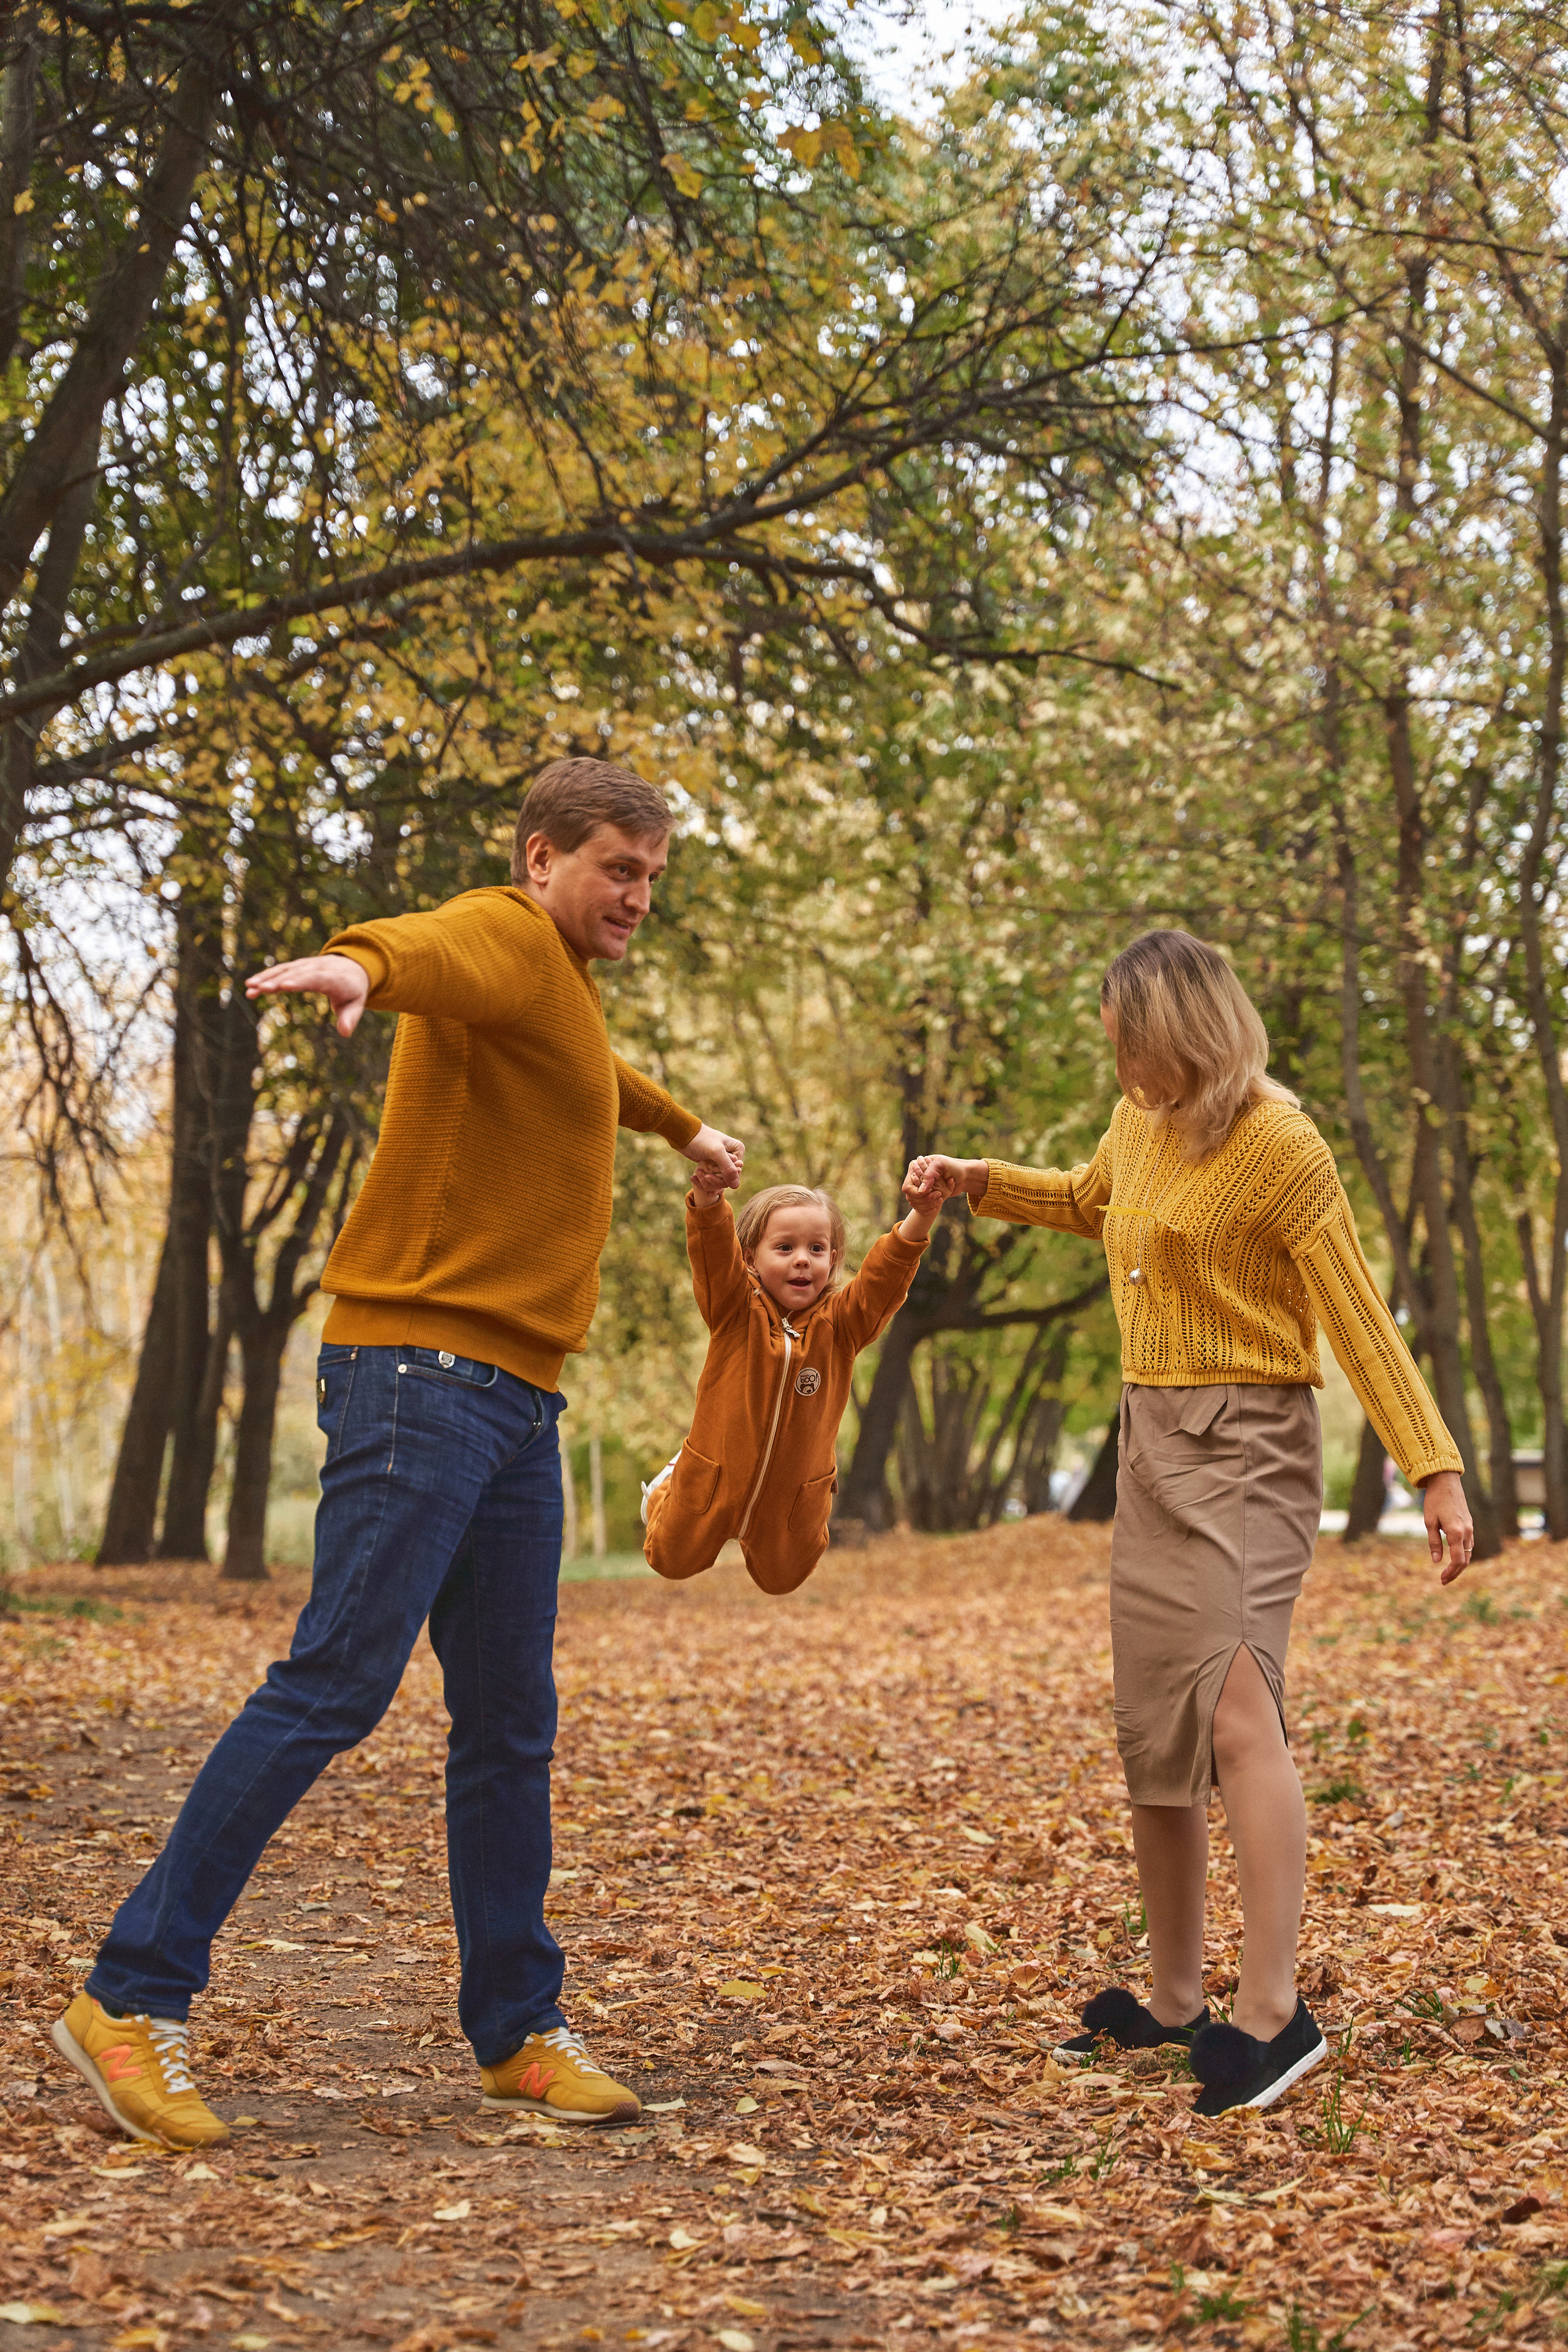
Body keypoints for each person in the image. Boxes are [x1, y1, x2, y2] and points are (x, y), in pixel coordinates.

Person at [55, 758, 745, 2149]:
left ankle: (515, 2025)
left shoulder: (555, 989)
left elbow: (588, 1071)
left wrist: (682, 1127)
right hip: (421, 1375)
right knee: (332, 1683)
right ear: (543, 855)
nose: (636, 896)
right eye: (618, 867)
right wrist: (357, 963)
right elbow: (429, 950)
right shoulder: (501, 932)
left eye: (650, 876)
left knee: (507, 1718)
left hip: (510, 1398)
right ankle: (131, 1995)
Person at [905, 929, 1472, 2117]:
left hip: (1250, 1449)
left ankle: (1275, 2012)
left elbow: (1356, 1318)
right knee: (1155, 1730)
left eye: (1124, 1036)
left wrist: (1432, 1469)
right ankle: (1174, 2001)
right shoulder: (1141, 1120)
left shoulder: (1278, 1144)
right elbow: (1081, 1200)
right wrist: (974, 1182)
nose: (1113, 1056)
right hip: (1151, 1452)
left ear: (1176, 1033)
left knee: (1231, 1702)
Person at [641, 1171, 939, 1593]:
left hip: (793, 1497)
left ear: (832, 1260)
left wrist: (921, 1217)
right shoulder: (732, 1308)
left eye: (816, 1249)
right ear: (749, 1258)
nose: (803, 1259)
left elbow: (882, 1279)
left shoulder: (842, 1324)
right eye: (785, 1248)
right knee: (670, 1559)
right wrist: (708, 1194)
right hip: (714, 1477)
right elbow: (711, 1250)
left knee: (783, 1579)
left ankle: (771, 1544)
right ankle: (666, 1485)